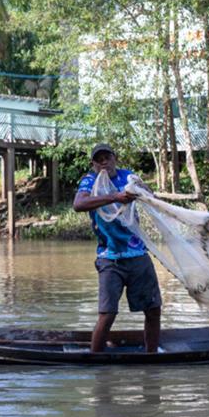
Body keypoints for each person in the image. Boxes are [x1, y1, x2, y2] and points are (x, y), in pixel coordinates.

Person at [73, 143, 162, 353]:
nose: (104, 162)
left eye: (107, 158)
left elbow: (150, 197)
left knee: (153, 310)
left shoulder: (128, 177)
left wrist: (142, 189)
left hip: (138, 253)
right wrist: (114, 197)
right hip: (109, 257)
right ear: (93, 164)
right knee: (107, 313)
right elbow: (78, 204)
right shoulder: (90, 181)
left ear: (115, 158)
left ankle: (152, 357)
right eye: (99, 159)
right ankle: (95, 360)